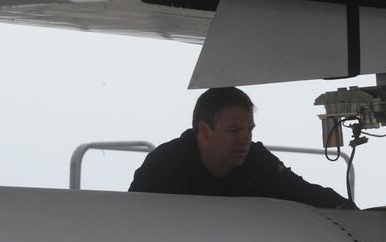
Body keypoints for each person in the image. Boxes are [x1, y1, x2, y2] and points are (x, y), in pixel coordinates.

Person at [130, 86, 352, 208]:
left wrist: (345, 209)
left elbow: (301, 191)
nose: (245, 140)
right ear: (205, 131)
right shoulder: (165, 165)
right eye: (234, 131)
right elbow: (134, 218)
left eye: (250, 130)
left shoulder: (256, 160)